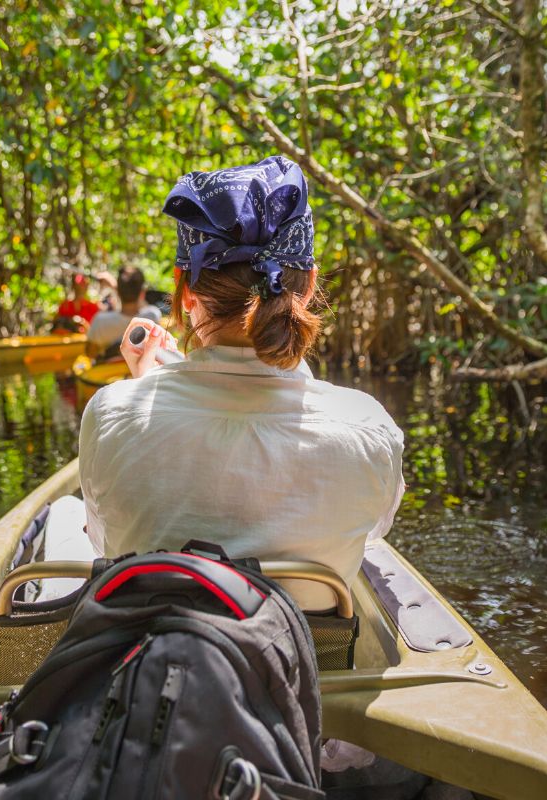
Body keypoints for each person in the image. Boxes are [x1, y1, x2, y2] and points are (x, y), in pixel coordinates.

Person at [78, 156, 405, 610]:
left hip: (158, 664)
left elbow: (104, 542)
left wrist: (141, 390)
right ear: (308, 285)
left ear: (185, 289)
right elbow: (369, 533)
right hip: (304, 669)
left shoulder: (111, 412)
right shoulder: (368, 426)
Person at [84, 266, 162, 359]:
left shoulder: (100, 321)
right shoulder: (151, 317)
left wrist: (116, 288)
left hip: (109, 372)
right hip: (140, 372)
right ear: (142, 292)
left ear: (118, 292)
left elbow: (90, 353)